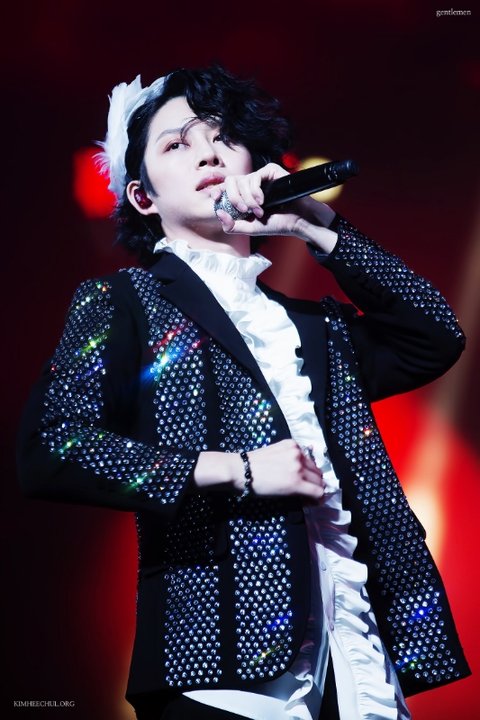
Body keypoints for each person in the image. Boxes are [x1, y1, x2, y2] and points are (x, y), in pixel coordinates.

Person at [17, 64, 470, 720]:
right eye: (177, 144)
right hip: (221, 671)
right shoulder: (125, 303)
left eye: (224, 138)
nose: (208, 152)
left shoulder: (313, 329)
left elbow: (435, 336)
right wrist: (238, 470)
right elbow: (51, 447)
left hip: (357, 664)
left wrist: (315, 225)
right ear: (143, 197)